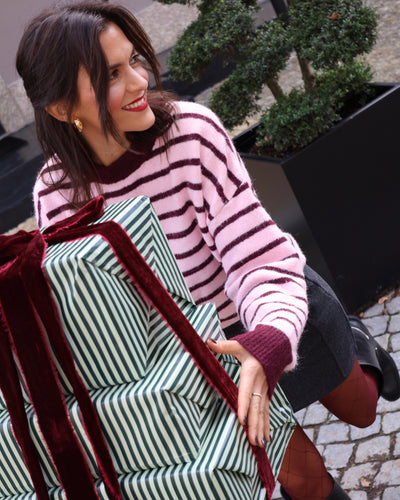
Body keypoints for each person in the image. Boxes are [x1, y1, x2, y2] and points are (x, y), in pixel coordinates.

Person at [16, 2, 400, 499]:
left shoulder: (191, 133)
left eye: (135, 60)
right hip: (205, 354)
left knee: (362, 411)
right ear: (61, 107)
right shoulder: (58, 193)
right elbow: (94, 306)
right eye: (111, 74)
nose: (139, 81)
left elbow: (256, 258)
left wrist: (269, 337)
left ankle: (354, 338)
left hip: (271, 306)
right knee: (304, 481)